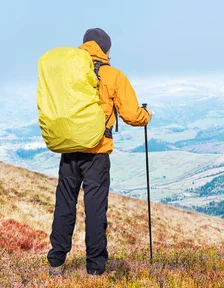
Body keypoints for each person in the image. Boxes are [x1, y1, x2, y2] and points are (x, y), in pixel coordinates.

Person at [48, 28, 153, 276]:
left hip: (69, 149)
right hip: (96, 152)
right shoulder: (112, 75)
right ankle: (95, 269)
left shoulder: (69, 73)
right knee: (95, 210)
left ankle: (56, 263)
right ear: (106, 49)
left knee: (64, 204)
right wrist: (147, 115)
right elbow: (131, 115)